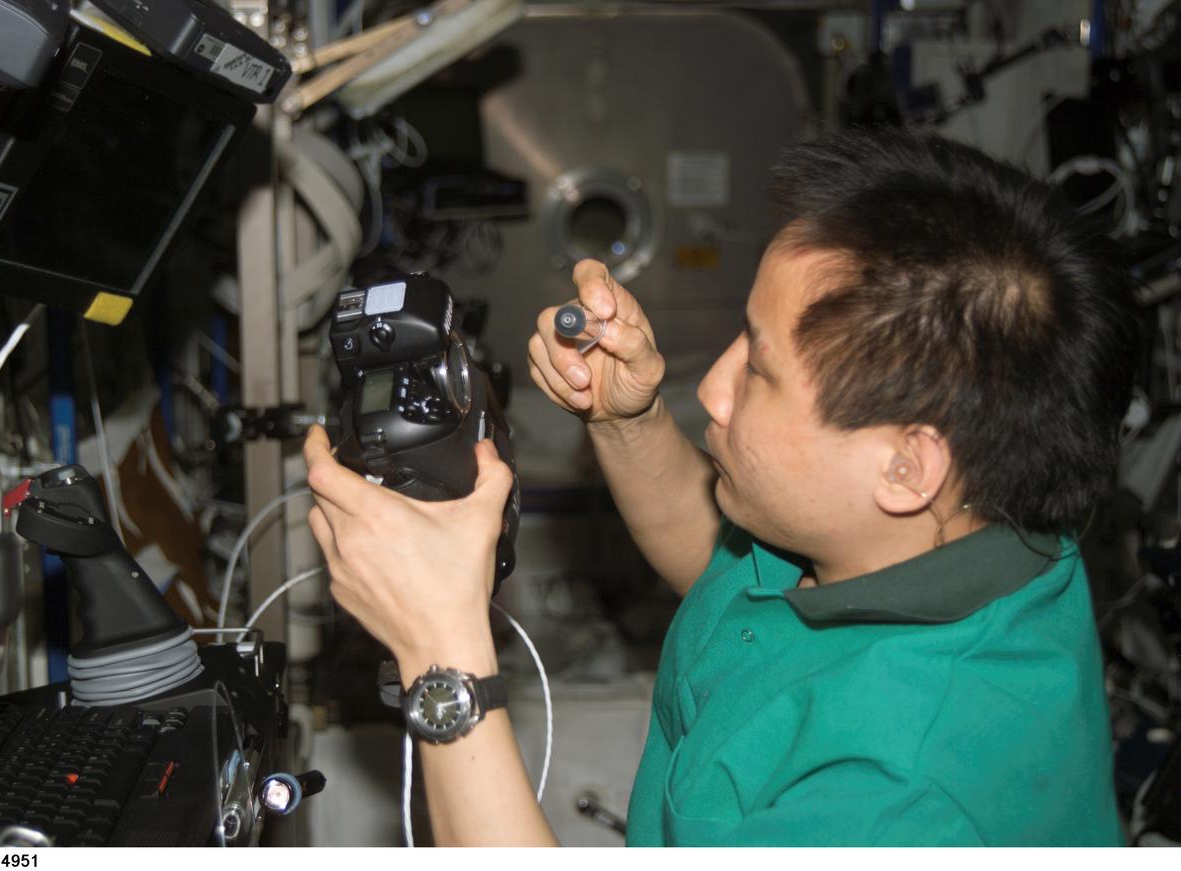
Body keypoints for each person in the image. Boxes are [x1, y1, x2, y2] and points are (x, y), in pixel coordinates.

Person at [301, 128, 1139, 846]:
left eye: (761, 372)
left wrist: (441, 653)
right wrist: (625, 420)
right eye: (744, 335)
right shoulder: (972, 520)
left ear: (906, 466)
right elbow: (723, 576)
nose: (710, 389)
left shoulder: (900, 801)